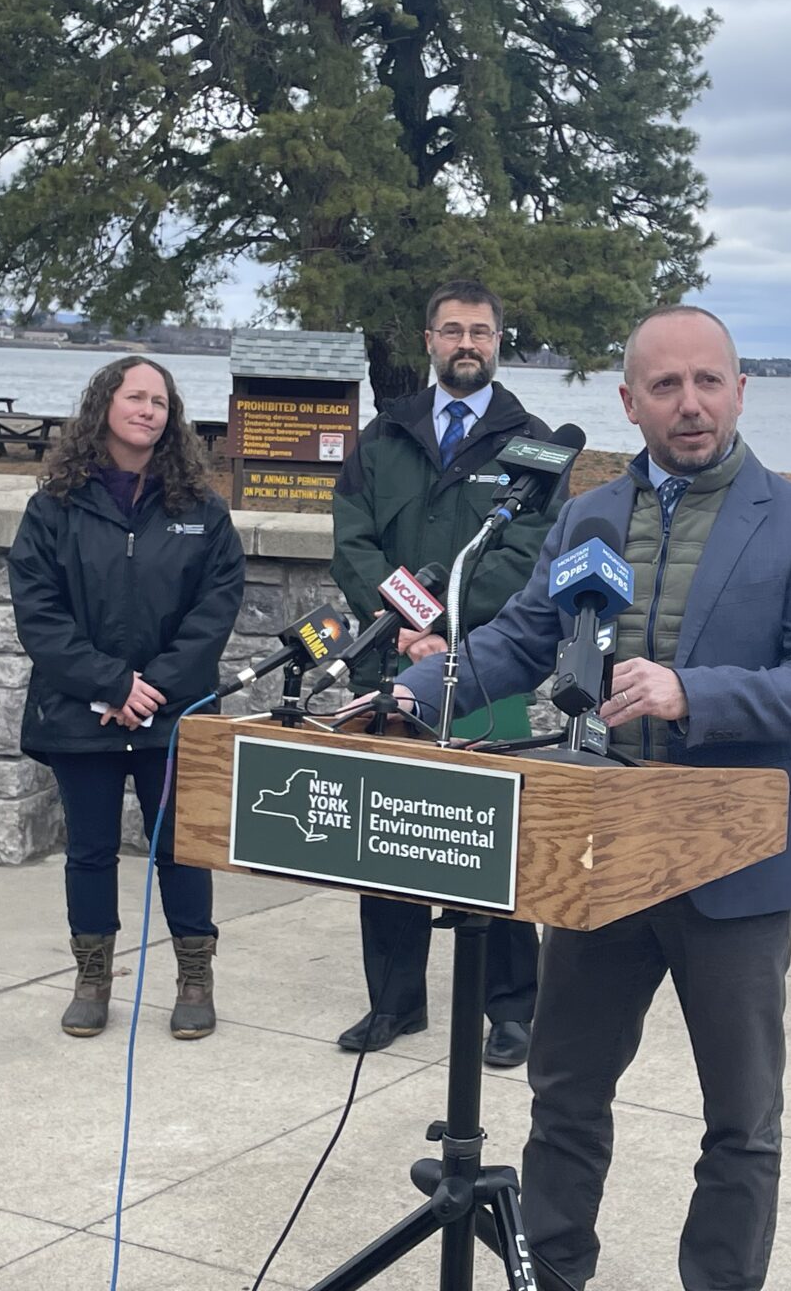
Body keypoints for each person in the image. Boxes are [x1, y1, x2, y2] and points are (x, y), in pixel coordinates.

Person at [394, 305, 791, 1290]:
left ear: (739, 391)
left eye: (707, 382)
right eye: (665, 386)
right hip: (604, 856)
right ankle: (552, 1270)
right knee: (564, 1089)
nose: (688, 404)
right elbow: (524, 638)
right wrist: (411, 692)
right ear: (628, 402)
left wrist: (694, 692)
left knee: (740, 1117)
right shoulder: (588, 517)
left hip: (734, 869)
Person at [330, 280, 562, 1066]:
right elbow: (352, 543)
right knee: (386, 833)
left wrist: (445, 629)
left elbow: (528, 560)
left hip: (489, 668)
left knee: (488, 839)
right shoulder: (382, 436)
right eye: (453, 330)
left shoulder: (531, 444)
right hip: (394, 659)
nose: (468, 343)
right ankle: (394, 1004)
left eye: (483, 332)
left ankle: (510, 1010)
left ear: (500, 343)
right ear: (428, 340)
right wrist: (409, 625)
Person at [8, 355, 245, 1041]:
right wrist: (111, 685)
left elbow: (215, 607)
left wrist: (153, 690)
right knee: (89, 851)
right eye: (135, 397)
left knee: (182, 850)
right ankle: (91, 978)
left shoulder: (201, 511)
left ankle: (195, 979)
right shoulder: (54, 506)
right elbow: (39, 612)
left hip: (173, 715)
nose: (148, 411)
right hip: (83, 712)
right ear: (104, 406)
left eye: (161, 402)